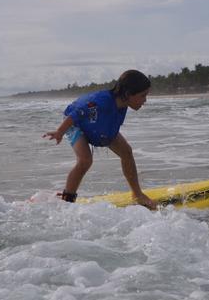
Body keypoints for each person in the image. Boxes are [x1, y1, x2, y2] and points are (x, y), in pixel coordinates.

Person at [44, 70, 156, 209]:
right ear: (127, 94)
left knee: (126, 152)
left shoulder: (122, 104)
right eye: (143, 96)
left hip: (98, 127)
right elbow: (76, 114)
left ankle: (137, 194)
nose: (145, 101)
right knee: (85, 160)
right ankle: (67, 201)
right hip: (76, 125)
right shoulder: (100, 102)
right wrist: (60, 132)